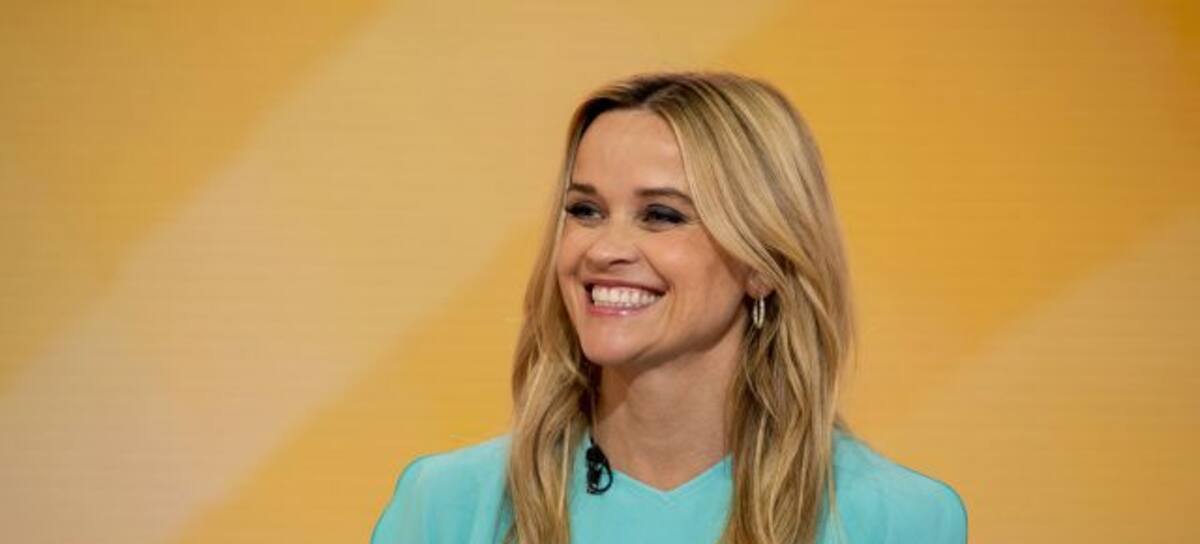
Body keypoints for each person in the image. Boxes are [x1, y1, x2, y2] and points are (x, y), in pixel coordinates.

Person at [371, 72, 967, 543]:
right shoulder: (447, 505)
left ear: (763, 263)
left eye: (662, 215)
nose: (603, 249)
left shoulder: (897, 519)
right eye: (585, 211)